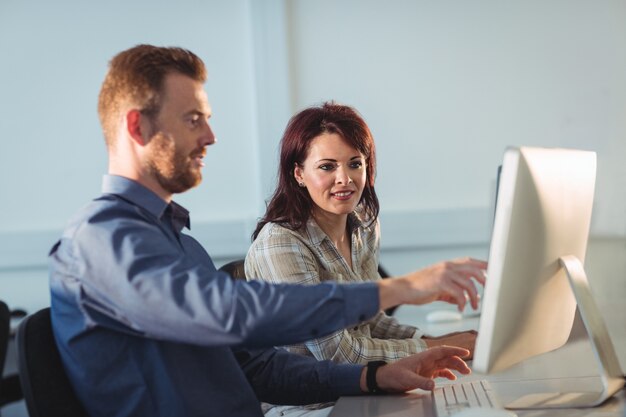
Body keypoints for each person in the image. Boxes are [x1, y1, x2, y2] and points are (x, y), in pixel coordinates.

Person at [50, 44, 475, 417]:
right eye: (193, 119)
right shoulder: (100, 239)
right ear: (137, 127)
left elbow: (257, 368)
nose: (211, 136)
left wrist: (374, 377)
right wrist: (397, 288)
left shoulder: (182, 245)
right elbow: (229, 310)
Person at [245, 102, 485, 367]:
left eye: (355, 164)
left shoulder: (363, 224)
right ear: (299, 174)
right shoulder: (281, 242)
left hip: (362, 386)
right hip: (309, 405)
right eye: (327, 167)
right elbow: (339, 354)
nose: (344, 178)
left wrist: (437, 342)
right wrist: (435, 347)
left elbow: (371, 321)